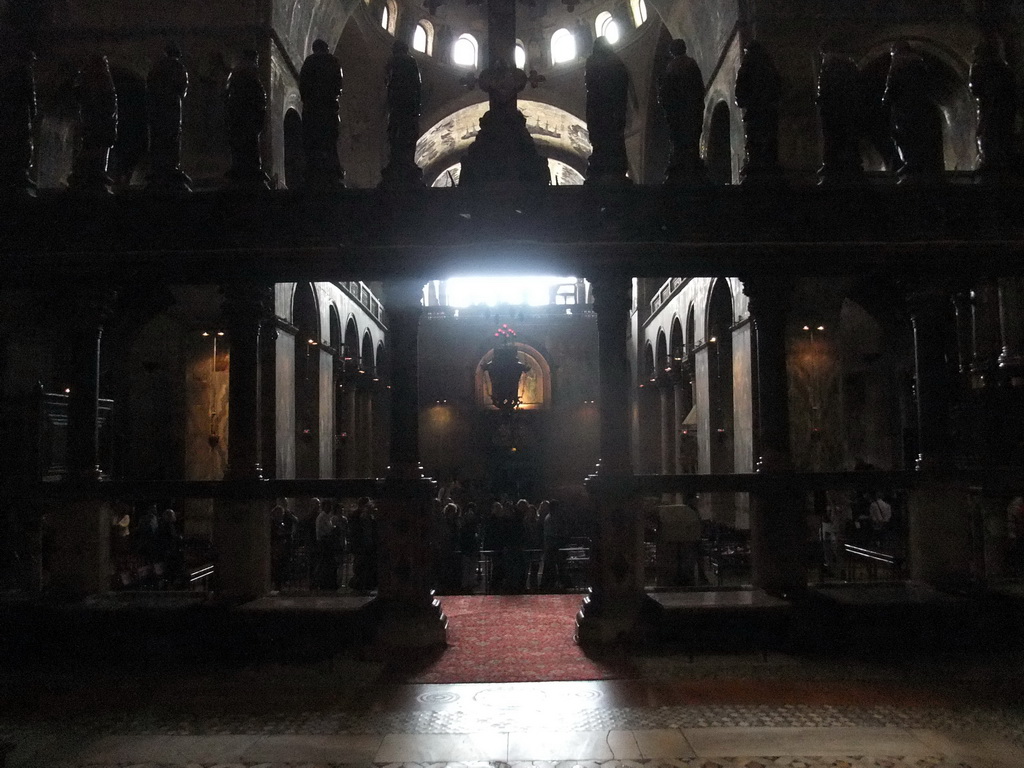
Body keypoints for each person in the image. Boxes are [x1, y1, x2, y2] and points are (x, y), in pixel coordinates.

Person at [584, 37, 635, 184]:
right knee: (611, 139)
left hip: (602, 108)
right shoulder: (616, 62)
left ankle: (605, 165)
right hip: (610, 109)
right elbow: (623, 84)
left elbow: (590, 84)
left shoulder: (594, 61)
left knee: (604, 138)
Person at [659, 39, 706, 184]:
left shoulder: (670, 69)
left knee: (679, 140)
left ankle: (681, 162)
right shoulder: (691, 64)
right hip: (691, 110)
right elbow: (699, 88)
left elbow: (665, 94)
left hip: (678, 113)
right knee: (691, 138)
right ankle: (692, 160)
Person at [299, 39, 344, 187]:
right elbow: (339, 84)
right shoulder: (333, 61)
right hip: (329, 108)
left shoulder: (309, 62)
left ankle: (313, 171)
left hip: (312, 110)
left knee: (313, 142)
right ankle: (331, 171)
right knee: (329, 142)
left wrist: (309, 101)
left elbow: (303, 85)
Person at [147, 43, 191, 190]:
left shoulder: (157, 68)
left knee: (158, 137)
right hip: (173, 106)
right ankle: (172, 166)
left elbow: (150, 85)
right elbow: (183, 89)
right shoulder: (179, 68)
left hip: (158, 108)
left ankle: (158, 166)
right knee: (173, 137)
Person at [225, 49, 269, 188]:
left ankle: (241, 167)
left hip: (240, 119)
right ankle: (250, 168)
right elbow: (260, 98)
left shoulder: (235, 77)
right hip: (248, 119)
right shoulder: (251, 78)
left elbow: (227, 97)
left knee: (241, 146)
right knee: (250, 146)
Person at [313, 498, 337, 590]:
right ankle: (323, 583)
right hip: (324, 543)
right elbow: (325, 531)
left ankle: (328, 583)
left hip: (327, 542)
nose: (330, 508)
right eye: (328, 506)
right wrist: (333, 529)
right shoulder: (322, 517)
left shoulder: (327, 517)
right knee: (325, 563)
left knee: (328, 564)